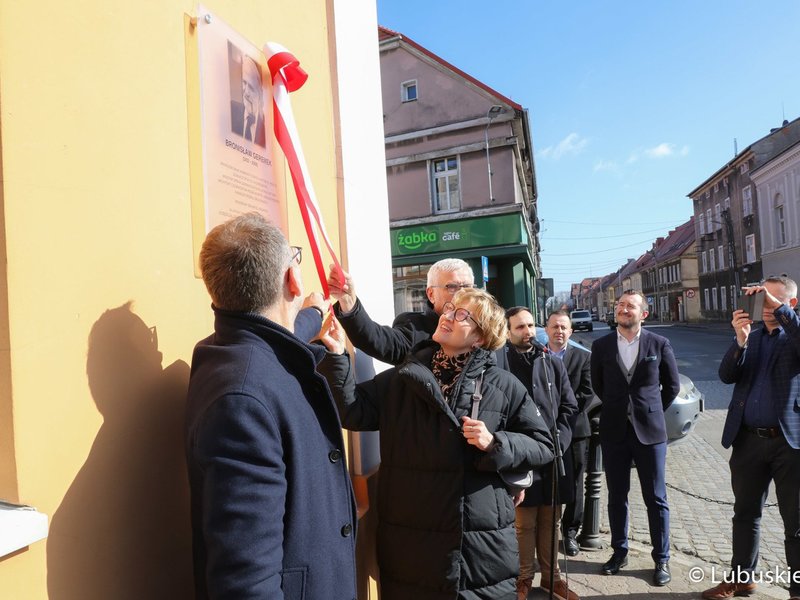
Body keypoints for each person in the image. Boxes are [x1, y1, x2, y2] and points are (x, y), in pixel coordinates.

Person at [323, 288, 555, 599]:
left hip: (478, 550)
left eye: (462, 315)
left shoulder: (504, 385)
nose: (447, 316)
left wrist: (495, 442)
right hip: (411, 544)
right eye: (449, 309)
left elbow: (542, 444)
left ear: (481, 338)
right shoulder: (403, 379)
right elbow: (352, 410)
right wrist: (338, 356)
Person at [184, 213, 357, 599]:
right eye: (296, 261)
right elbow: (246, 584)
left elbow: (277, 339)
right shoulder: (243, 402)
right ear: (292, 281)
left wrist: (311, 315)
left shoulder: (235, 351)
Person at [701, 276, 800, 600]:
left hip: (790, 444)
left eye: (773, 299)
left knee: (796, 523)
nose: (765, 305)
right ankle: (742, 579)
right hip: (748, 441)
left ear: (791, 304)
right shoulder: (753, 336)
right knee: (745, 514)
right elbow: (727, 376)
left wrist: (779, 310)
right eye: (763, 299)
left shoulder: (793, 336)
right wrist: (740, 341)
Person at [590, 289, 680, 587]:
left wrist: (649, 411)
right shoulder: (601, 346)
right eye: (620, 305)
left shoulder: (659, 343)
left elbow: (672, 387)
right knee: (617, 496)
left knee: (656, 497)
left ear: (643, 313)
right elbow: (599, 385)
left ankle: (662, 558)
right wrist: (621, 409)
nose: (623, 309)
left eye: (630, 306)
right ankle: (620, 552)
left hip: (650, 433)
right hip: (614, 431)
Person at [504, 307, 580, 600]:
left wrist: (559, 440)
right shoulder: (502, 363)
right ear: (509, 331)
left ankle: (552, 578)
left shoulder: (550, 360)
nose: (527, 331)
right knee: (524, 523)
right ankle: (524, 578)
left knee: (552, 520)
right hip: (521, 455)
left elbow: (569, 406)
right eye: (520, 327)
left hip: (553, 455)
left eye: (531, 325)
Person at [327, 258, 482, 366]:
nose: (462, 293)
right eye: (452, 287)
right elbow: (377, 339)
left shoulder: (486, 329)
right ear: (431, 294)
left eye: (467, 287)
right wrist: (349, 302)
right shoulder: (413, 327)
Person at [543, 310, 593, 558]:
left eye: (564, 327)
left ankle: (570, 533)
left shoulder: (583, 358)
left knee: (574, 484)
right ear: (547, 329)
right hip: (541, 431)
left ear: (570, 331)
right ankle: (545, 533)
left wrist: (562, 417)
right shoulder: (537, 356)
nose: (559, 331)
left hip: (575, 430)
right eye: (555, 327)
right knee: (545, 481)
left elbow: (587, 393)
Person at [230, 54, 266, 147]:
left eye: (251, 86)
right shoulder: (231, 111)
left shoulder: (266, 127)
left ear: (260, 92)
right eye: (244, 83)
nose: (246, 93)